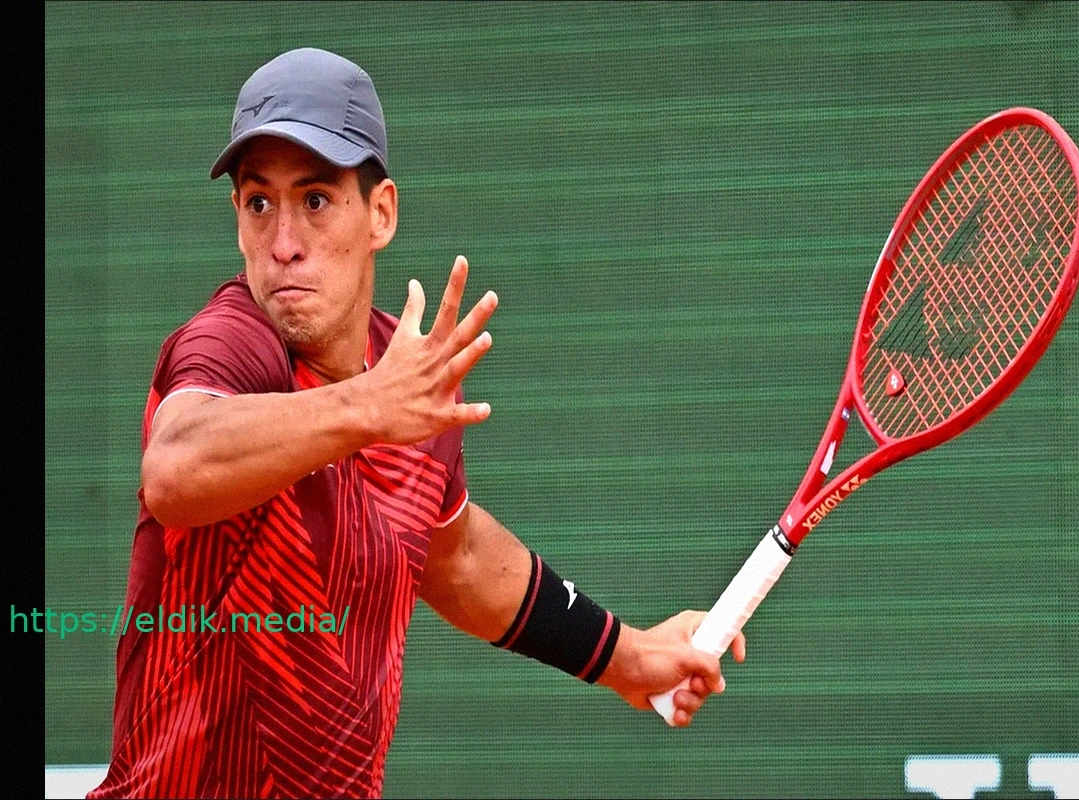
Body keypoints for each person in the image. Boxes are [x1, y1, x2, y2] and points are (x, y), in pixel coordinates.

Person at [88, 47, 746, 800]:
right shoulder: (233, 341)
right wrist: (367, 407)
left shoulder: (405, 375)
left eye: (315, 200)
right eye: (258, 203)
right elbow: (175, 468)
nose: (283, 242)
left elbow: (457, 558)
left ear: (381, 213)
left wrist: (628, 657)